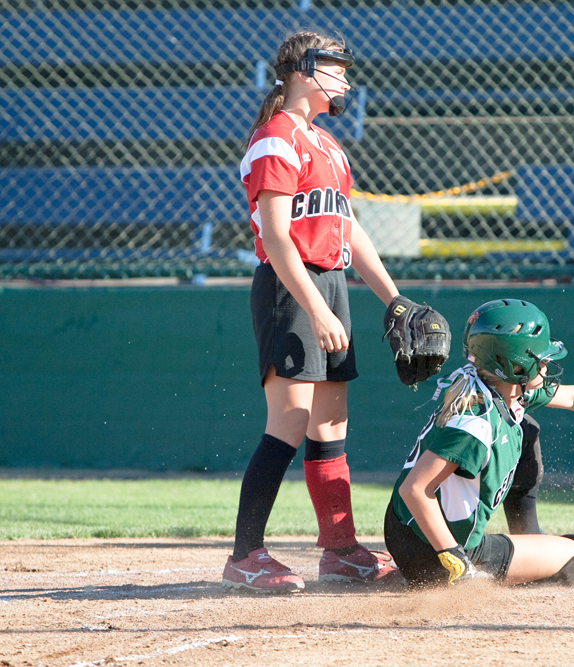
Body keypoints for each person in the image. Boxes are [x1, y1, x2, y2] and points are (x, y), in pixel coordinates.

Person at [222, 30, 437, 592]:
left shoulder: (330, 146)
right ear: (301, 71)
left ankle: (339, 550)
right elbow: (275, 237)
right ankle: (246, 554)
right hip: (290, 286)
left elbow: (349, 229)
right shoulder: (276, 138)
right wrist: (314, 308)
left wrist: (394, 299)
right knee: (290, 421)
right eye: (335, 67)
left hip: (329, 281)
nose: (345, 77)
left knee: (331, 423)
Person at [383, 298, 574, 586]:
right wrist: (453, 556)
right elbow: (416, 489)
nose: (544, 365)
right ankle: (476, 568)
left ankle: (525, 535)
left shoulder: (491, 384)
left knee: (525, 427)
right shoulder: (475, 424)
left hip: (405, 531)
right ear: (511, 364)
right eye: (537, 359)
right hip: (436, 554)